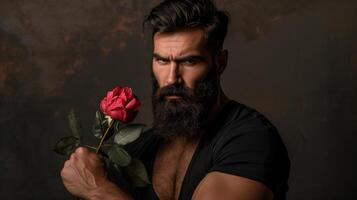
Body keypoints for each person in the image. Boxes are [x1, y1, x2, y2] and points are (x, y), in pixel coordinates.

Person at [60, 0, 290, 200]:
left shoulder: (249, 139)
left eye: (189, 62)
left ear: (220, 62)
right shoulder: (138, 151)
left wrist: (97, 190)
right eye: (161, 61)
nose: (171, 78)